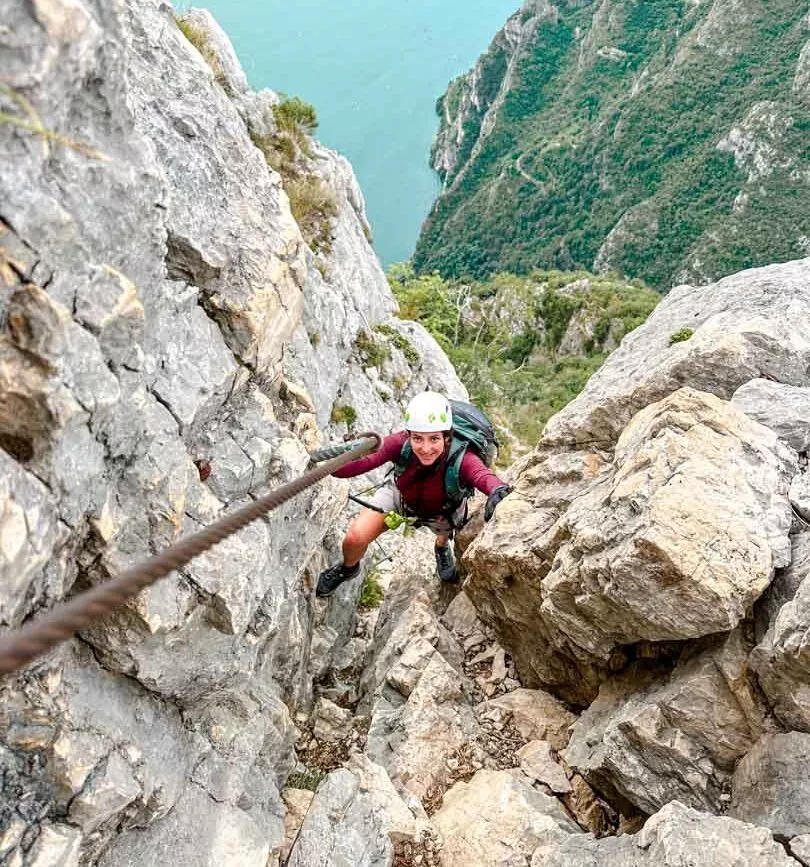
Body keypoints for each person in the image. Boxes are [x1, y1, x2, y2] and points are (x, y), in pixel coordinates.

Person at [316, 391, 513, 597]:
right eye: (418, 438)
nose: (426, 448)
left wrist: (497, 489)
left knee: (443, 533)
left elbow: (481, 475)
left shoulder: (462, 457)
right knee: (354, 538)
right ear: (409, 434)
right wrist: (342, 458)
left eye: (434, 439)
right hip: (399, 495)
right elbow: (352, 468)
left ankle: (441, 547)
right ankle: (348, 568)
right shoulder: (399, 443)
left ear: (447, 437)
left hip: (443, 508)